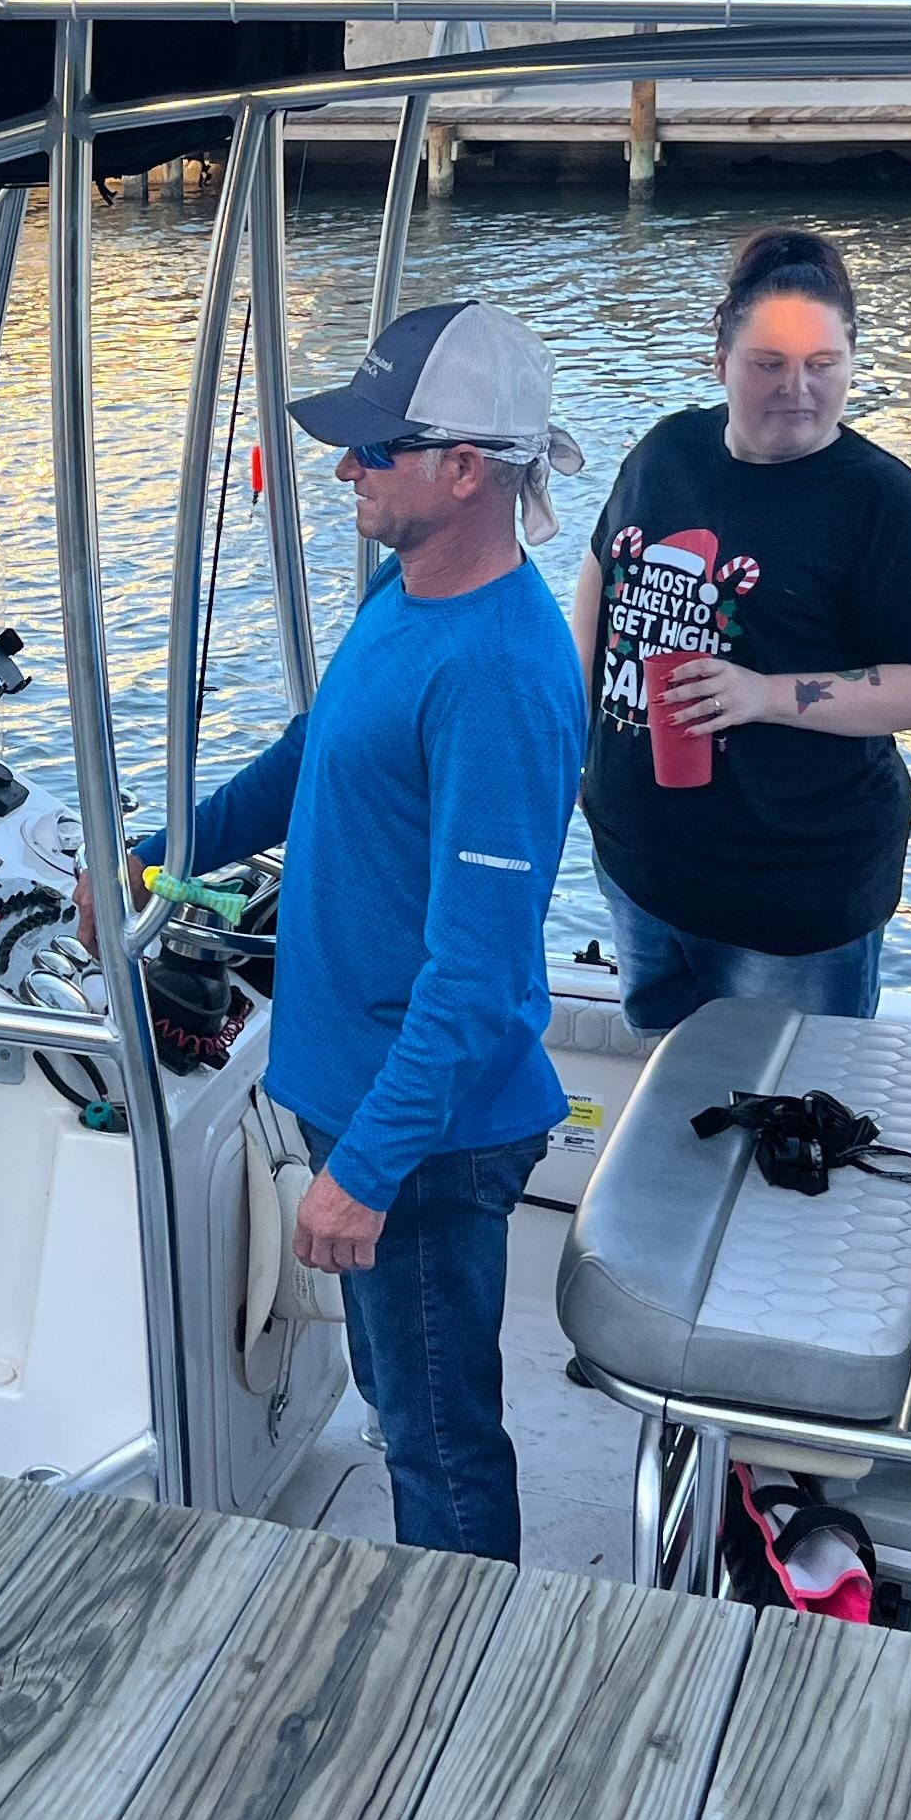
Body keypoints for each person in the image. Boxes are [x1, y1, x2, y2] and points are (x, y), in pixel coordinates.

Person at [175, 301, 588, 1561]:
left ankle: (452, 1688)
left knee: (437, 1437)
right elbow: (309, 753)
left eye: (374, 450)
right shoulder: (398, 589)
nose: (345, 470)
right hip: (349, 1086)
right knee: (398, 1399)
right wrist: (159, 857)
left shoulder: (504, 678)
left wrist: (366, 1171)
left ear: (466, 471)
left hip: (426, 1137)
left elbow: (477, 979)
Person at [572, 227, 911, 1034]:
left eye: (822, 365)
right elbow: (601, 576)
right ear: (719, 357)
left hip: (790, 897)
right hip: (637, 865)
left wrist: (762, 694)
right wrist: (572, 739)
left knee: (787, 1133)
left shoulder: (883, 506)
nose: (797, 388)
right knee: (669, 1096)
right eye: (768, 364)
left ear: (852, 361)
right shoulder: (668, 451)